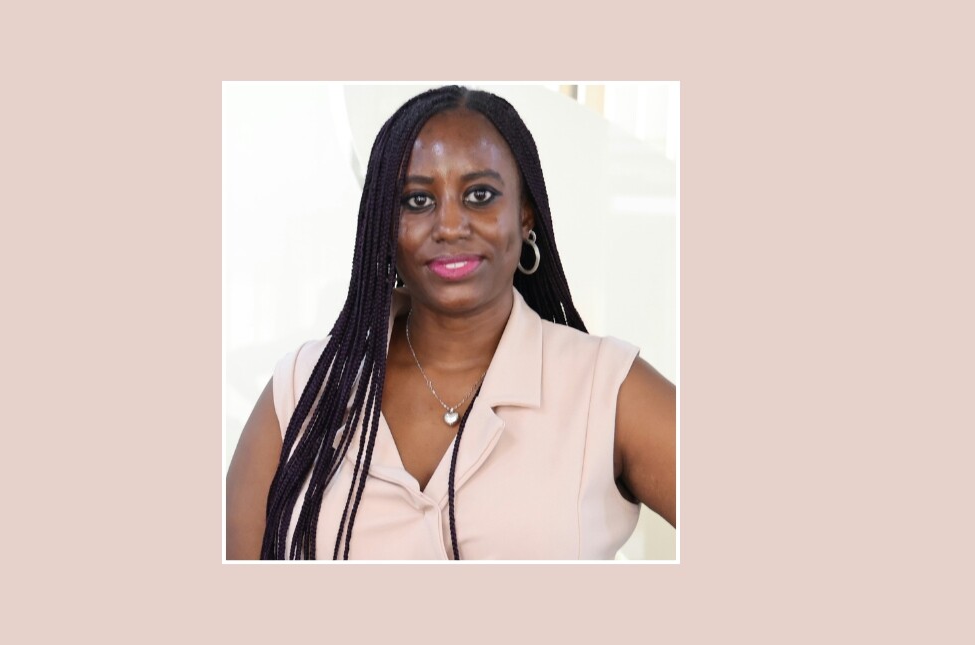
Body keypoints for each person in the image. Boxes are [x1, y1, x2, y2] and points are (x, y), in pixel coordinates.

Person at [226, 85, 675, 560]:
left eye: (480, 195)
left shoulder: (605, 389)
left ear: (525, 216)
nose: (450, 225)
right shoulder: (302, 390)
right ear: (384, 224)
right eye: (417, 201)